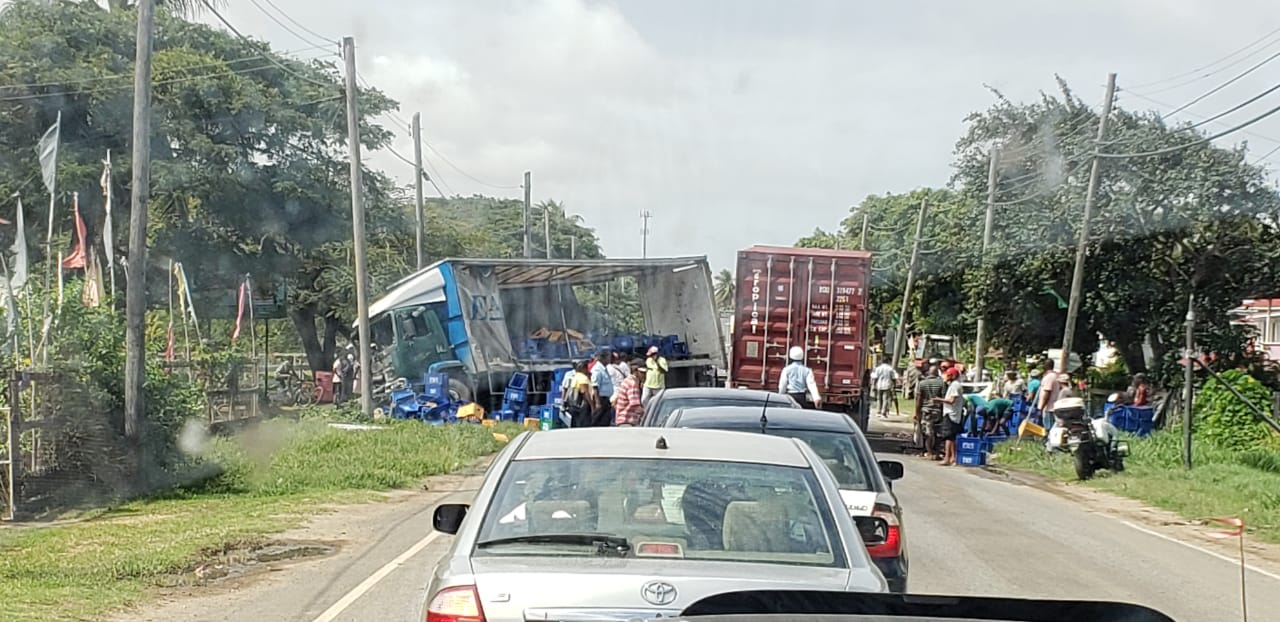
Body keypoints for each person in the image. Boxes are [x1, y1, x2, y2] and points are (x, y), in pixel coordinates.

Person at [932, 367, 965, 466]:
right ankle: (953, 459)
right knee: (952, 437)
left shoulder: (955, 386)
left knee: (948, 437)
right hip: (954, 414)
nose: (945, 377)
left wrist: (938, 399)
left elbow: (951, 400)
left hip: (951, 414)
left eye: (947, 375)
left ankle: (947, 458)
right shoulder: (955, 385)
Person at [914, 365, 947, 459]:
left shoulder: (922, 383)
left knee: (927, 433)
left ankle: (929, 451)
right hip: (938, 411)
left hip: (925, 411)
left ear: (929, 372)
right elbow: (943, 398)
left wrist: (917, 413)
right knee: (937, 432)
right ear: (937, 373)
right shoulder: (942, 383)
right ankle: (935, 451)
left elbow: (919, 400)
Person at [612, 360, 646, 426]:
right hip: (628, 422)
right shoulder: (633, 384)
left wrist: (621, 411)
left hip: (621, 420)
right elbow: (635, 405)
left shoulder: (625, 381)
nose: (644, 375)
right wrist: (645, 413)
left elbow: (614, 403)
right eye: (642, 373)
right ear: (635, 371)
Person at [565, 360, 594, 428]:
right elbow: (584, 392)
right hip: (582, 405)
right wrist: (592, 405)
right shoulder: (583, 378)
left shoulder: (576, 376)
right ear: (583, 369)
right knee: (584, 425)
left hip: (574, 405)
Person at [590, 351, 615, 426]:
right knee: (598, 420)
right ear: (603, 358)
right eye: (608, 357)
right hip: (600, 399)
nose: (609, 359)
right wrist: (597, 403)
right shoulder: (597, 369)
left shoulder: (604, 369)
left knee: (605, 420)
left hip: (606, 399)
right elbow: (595, 387)